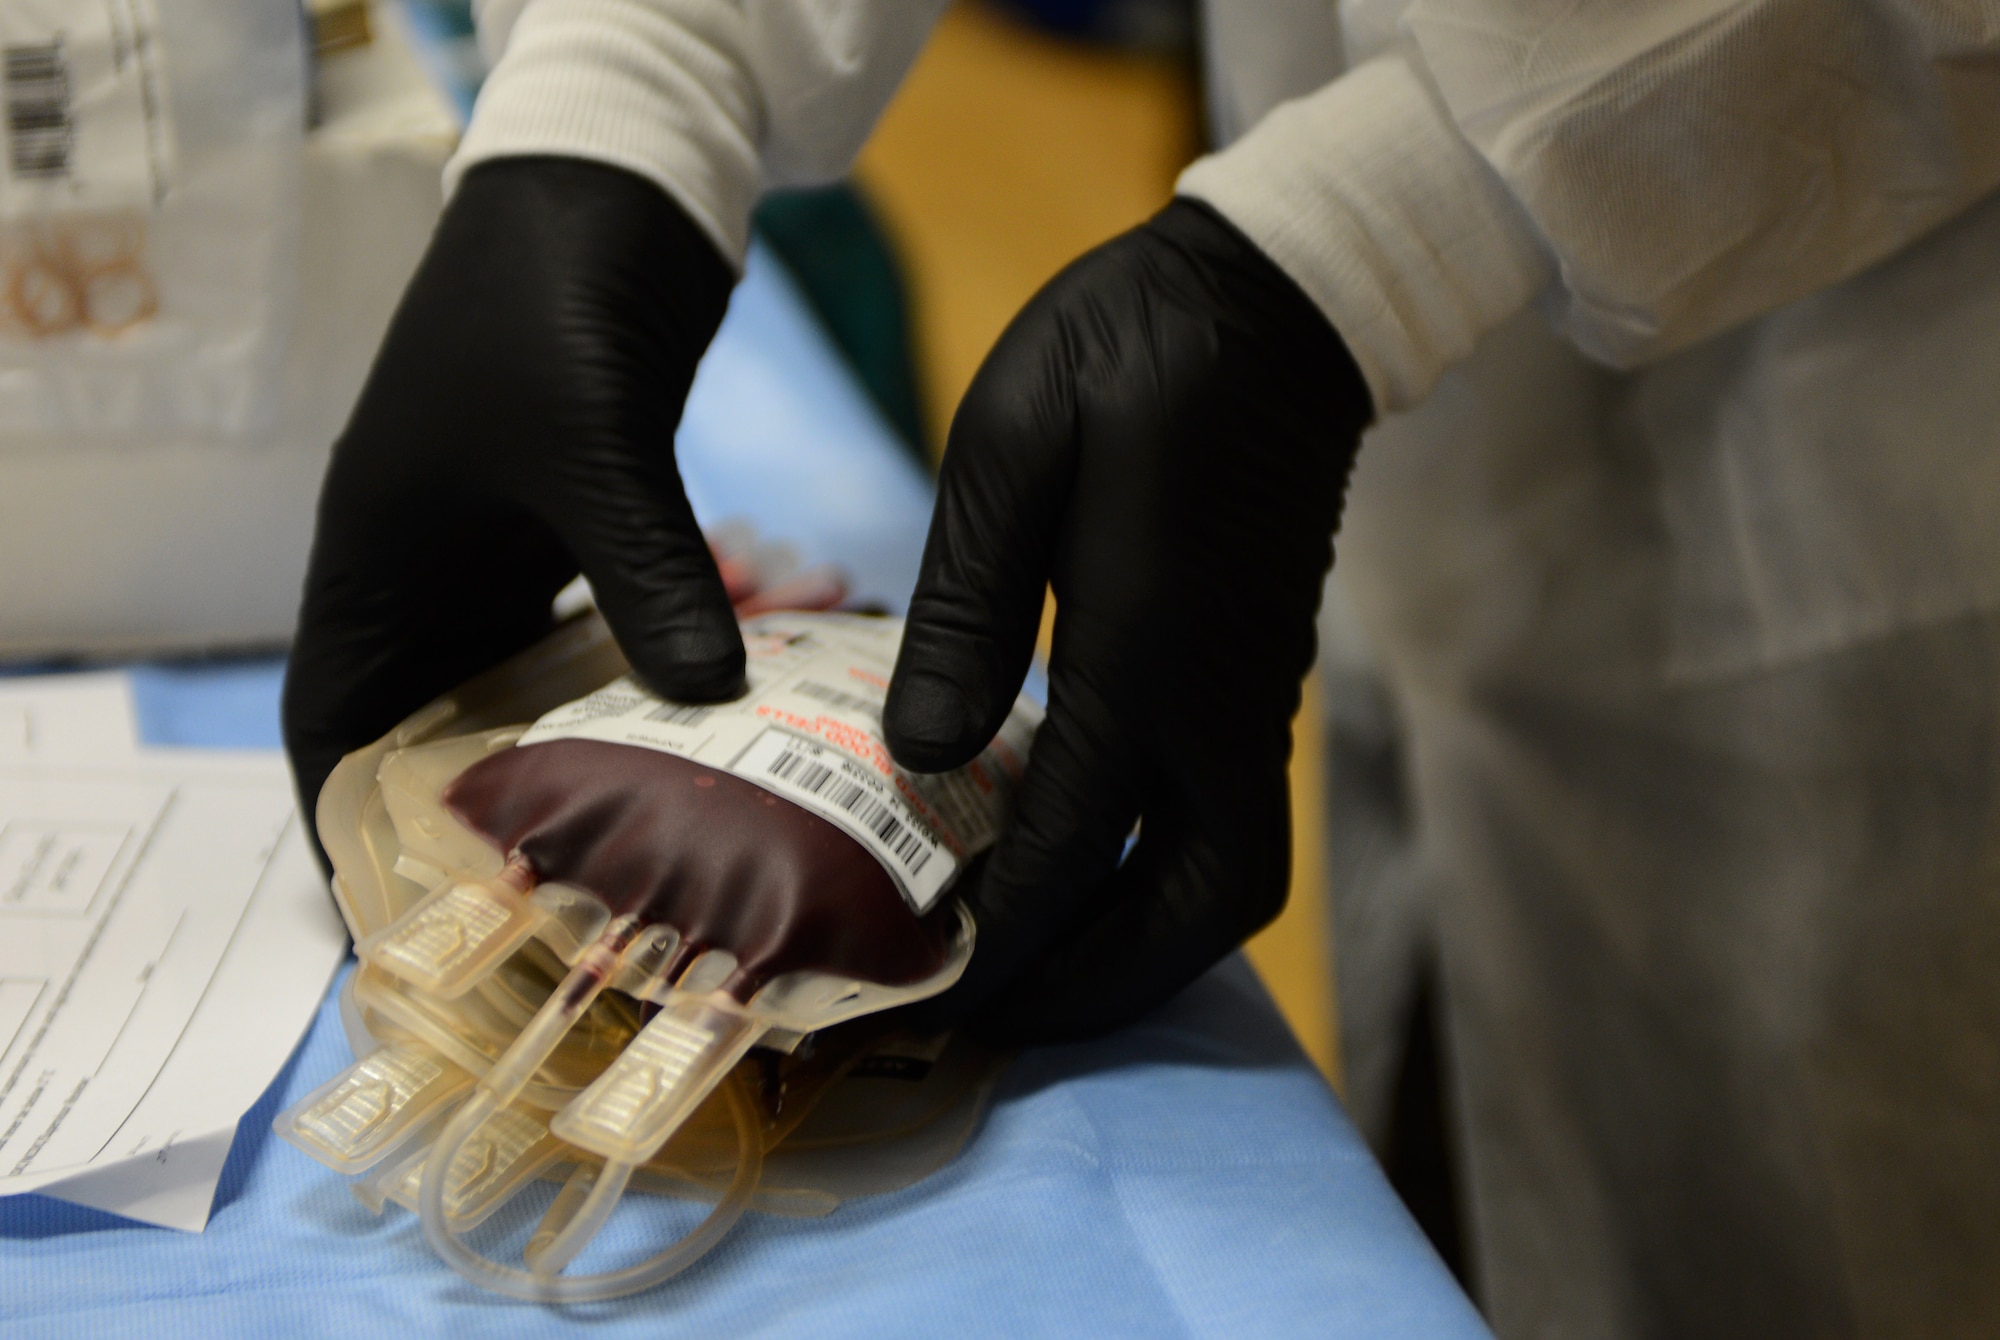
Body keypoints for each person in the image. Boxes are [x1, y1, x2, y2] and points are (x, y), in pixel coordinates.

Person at [281, 2, 2000, 1333]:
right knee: (1475, 1176)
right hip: (1444, 462)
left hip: (1882, 425)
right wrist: (623, 95)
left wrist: (1397, 221)